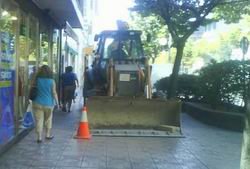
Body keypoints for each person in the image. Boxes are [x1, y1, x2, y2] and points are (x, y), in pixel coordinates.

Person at [31, 65, 59, 143]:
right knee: (48, 119)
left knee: (39, 120)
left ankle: (39, 137)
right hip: (49, 104)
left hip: (37, 103)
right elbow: (54, 93)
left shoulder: (36, 80)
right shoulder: (51, 81)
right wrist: (57, 102)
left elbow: (31, 89)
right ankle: (47, 135)